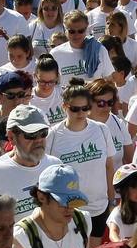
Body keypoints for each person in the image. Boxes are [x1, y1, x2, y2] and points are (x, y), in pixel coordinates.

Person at [49, 79, 115, 235]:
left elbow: (109, 167)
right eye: (75, 109)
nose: (81, 113)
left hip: (99, 207)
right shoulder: (52, 135)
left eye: (85, 108)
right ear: (64, 107)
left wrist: (111, 201)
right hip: (69, 211)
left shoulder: (101, 129)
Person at [0, 104, 61, 217]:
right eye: (31, 135)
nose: (39, 140)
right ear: (11, 137)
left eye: (43, 133)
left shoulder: (56, 166)